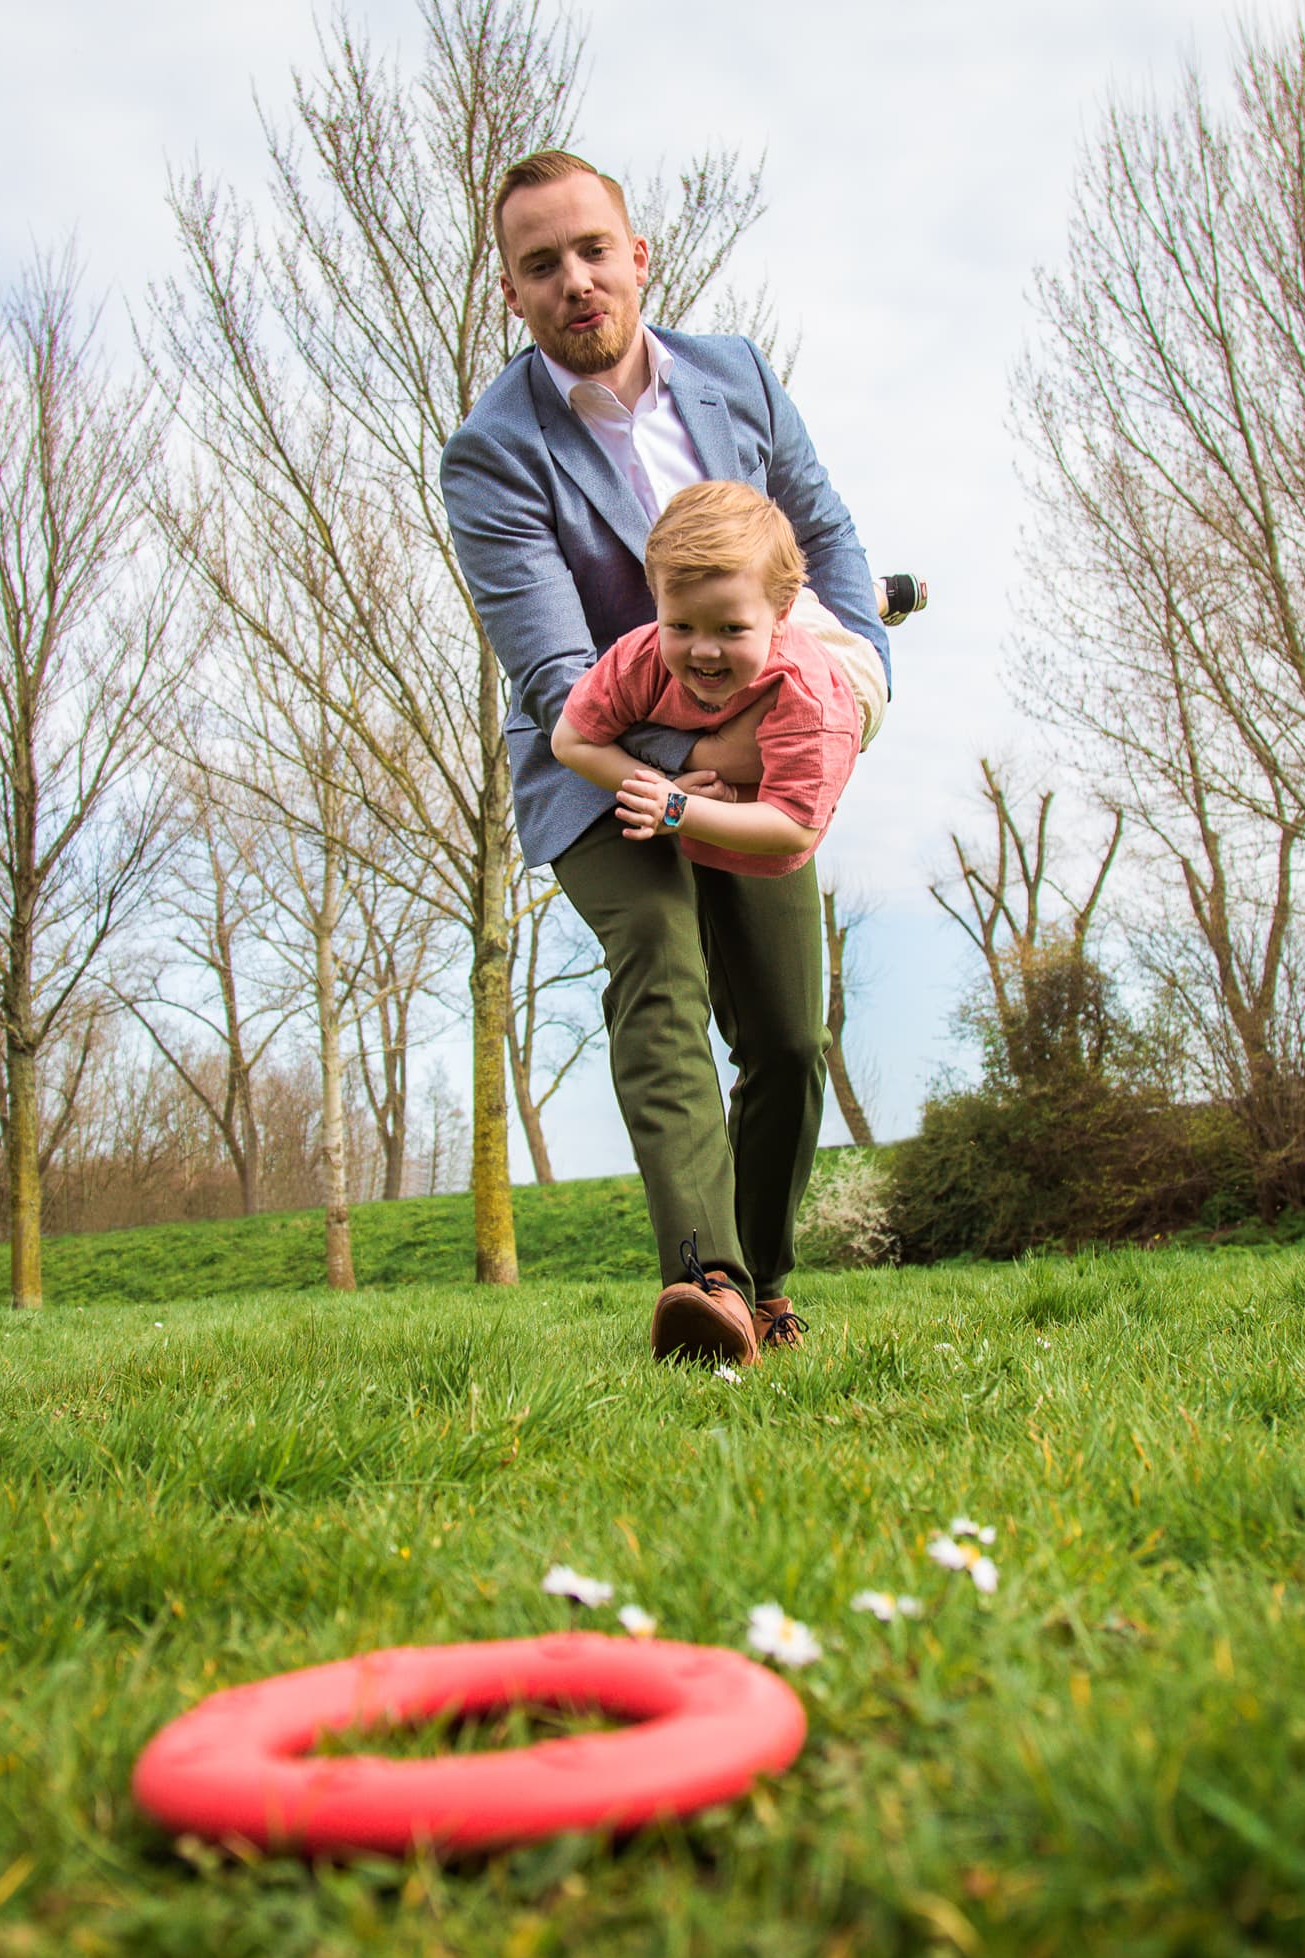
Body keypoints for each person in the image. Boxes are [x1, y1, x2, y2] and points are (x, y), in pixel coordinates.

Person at [442, 148, 893, 1367]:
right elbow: (552, 682)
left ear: (637, 258)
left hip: (760, 763)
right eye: (542, 265)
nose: (575, 281)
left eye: (593, 251)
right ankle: (708, 1280)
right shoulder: (492, 454)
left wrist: (855, 680)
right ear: (512, 291)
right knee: (661, 959)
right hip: (594, 764)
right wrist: (683, 769)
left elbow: (828, 537)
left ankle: (771, 1280)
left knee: (792, 1036)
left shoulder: (737, 375)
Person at [550, 480, 880, 879]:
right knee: (752, 609)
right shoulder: (642, 655)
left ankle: (876, 598)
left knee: (821, 622)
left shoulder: (813, 704)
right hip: (769, 639)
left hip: (850, 673)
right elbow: (571, 739)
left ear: (779, 616)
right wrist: (665, 786)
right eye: (682, 625)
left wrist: (677, 810)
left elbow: (794, 828)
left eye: (730, 629)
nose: (704, 650)